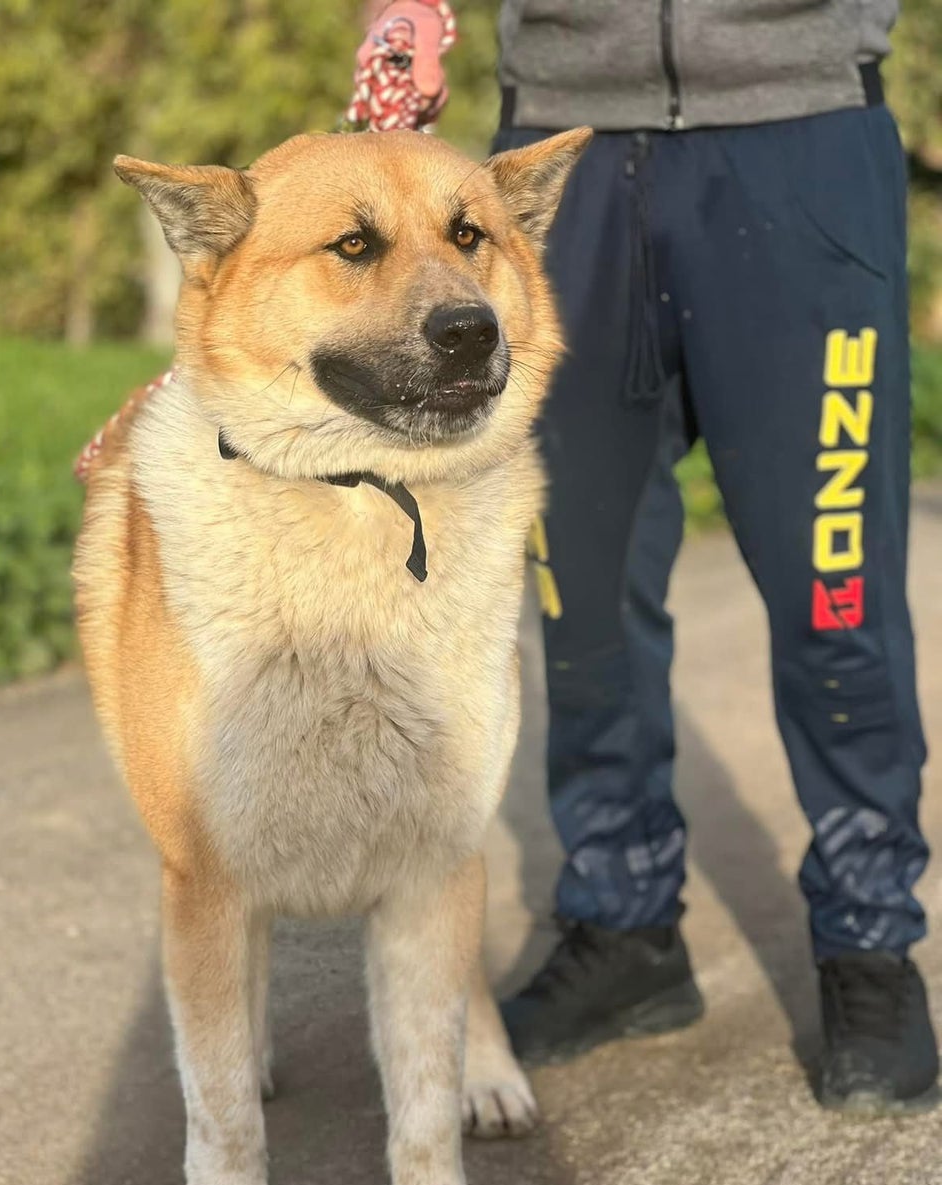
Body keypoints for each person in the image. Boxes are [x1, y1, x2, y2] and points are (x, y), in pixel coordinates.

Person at [350, 0, 939, 1113]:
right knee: (582, 581)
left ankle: (870, 942)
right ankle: (622, 925)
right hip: (561, 153)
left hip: (799, 129)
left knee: (836, 579)